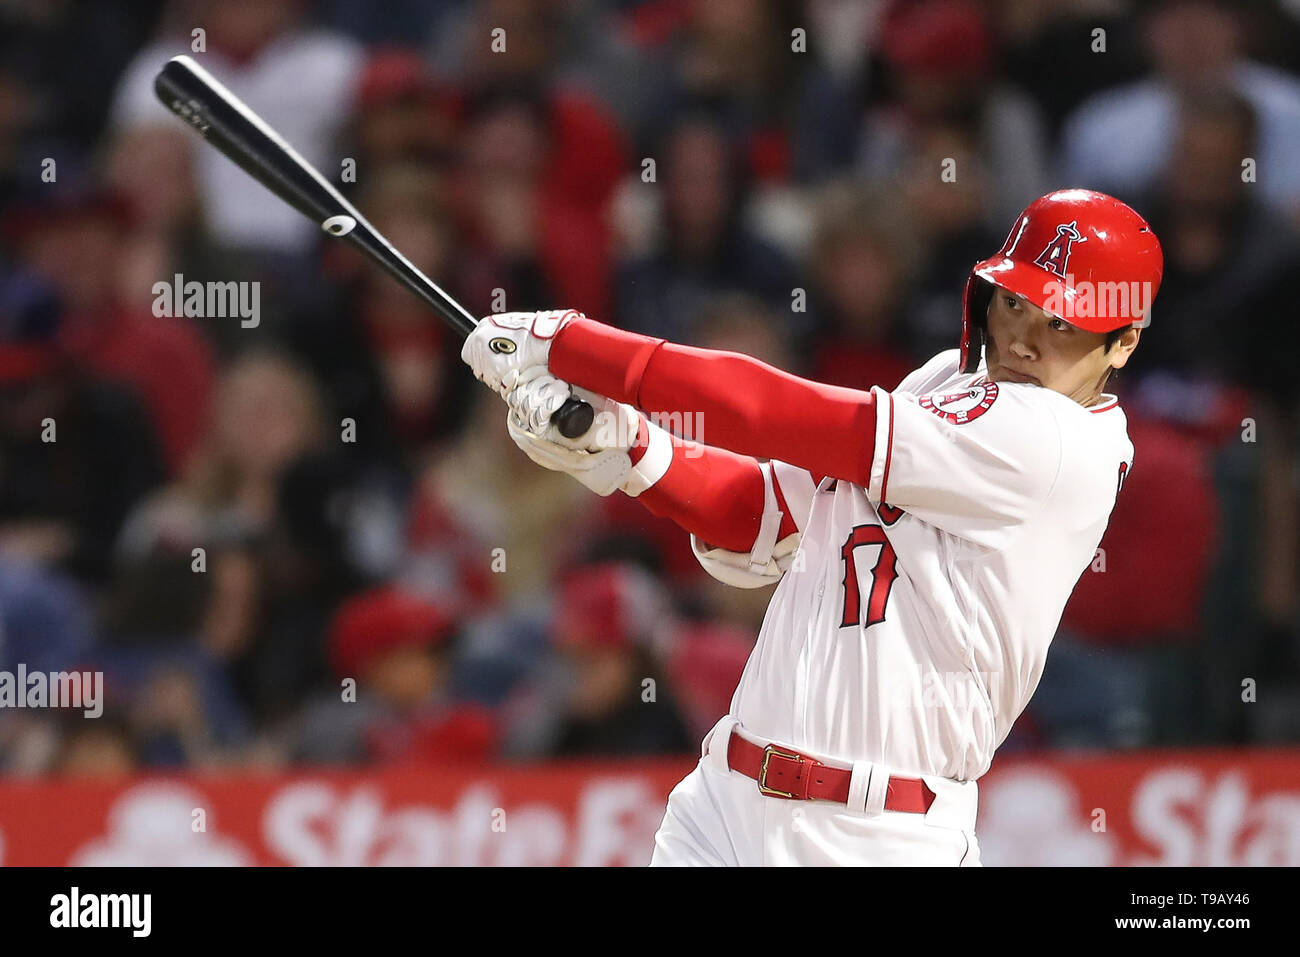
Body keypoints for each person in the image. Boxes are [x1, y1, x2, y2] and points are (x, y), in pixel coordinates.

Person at [460, 188, 1162, 866]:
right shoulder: (946, 379)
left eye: (1063, 323)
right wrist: (624, 448)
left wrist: (577, 346)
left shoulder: (1062, 444)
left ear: (1123, 342)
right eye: (1017, 303)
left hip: (876, 830)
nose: (1026, 338)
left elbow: (782, 413)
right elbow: (759, 515)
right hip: (725, 802)